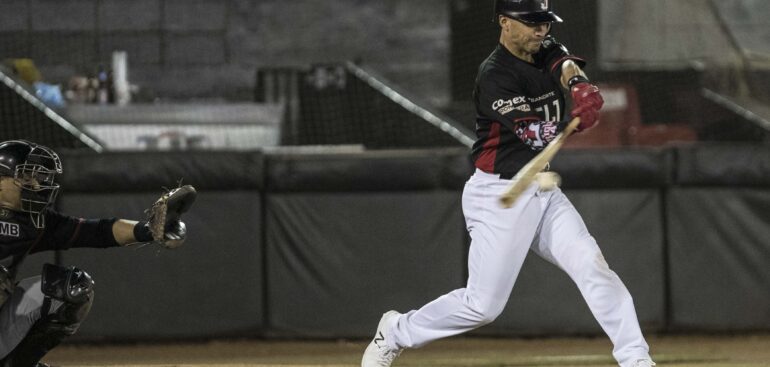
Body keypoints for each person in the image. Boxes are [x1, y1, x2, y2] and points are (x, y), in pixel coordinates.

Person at [361, 1, 656, 367]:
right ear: (505, 22)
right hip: (499, 194)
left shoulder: (544, 47)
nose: (540, 30)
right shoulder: (494, 73)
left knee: (592, 266)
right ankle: (396, 331)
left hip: (543, 190)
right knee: (482, 306)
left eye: (544, 22)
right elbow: (532, 132)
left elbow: (563, 64)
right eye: (531, 23)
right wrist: (572, 121)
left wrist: (580, 86)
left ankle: (635, 360)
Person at [0, 140, 194, 367]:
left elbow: (97, 231)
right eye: (25, 177)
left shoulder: (34, 221)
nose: (34, 184)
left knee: (73, 287)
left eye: (35, 177)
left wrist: (148, 230)